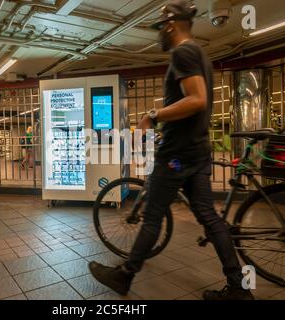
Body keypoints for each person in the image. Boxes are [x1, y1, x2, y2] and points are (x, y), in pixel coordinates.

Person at [88, 0, 254, 300]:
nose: (158, 34)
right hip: (197, 151)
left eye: (159, 28)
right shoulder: (199, 54)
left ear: (170, 25)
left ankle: (124, 276)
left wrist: (153, 116)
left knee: (152, 215)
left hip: (177, 154)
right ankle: (239, 288)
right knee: (209, 216)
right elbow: (195, 100)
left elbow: (197, 99)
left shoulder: (183, 52)